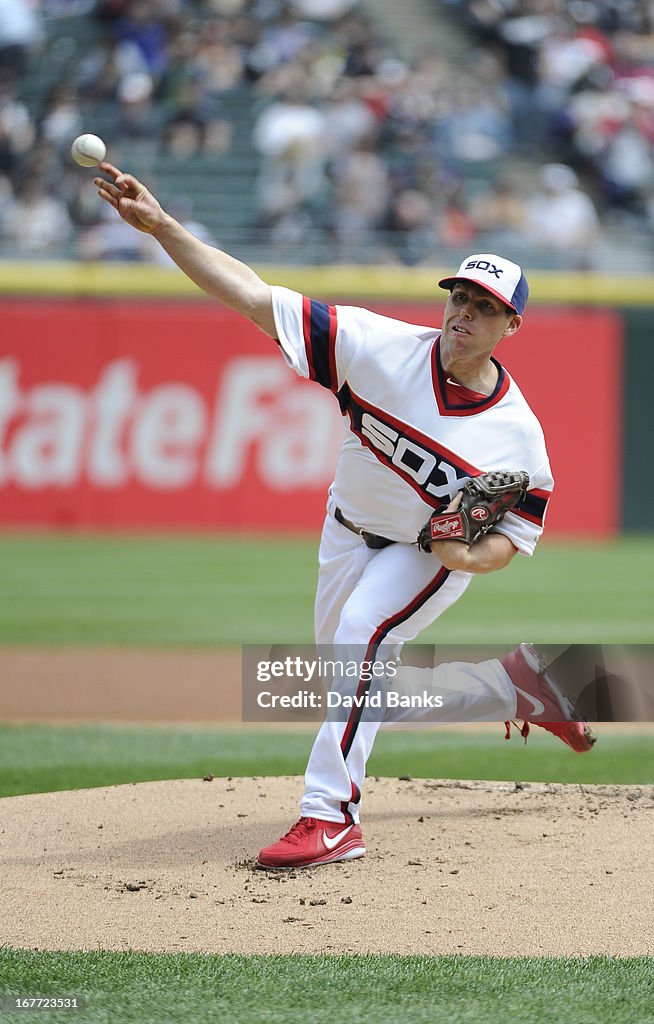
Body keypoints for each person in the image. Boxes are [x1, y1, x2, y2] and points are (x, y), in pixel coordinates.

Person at [94, 162, 596, 871]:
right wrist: (163, 227)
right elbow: (249, 295)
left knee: (363, 635)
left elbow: (504, 547)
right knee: (345, 682)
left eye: (483, 307)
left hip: (424, 552)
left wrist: (460, 553)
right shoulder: (376, 347)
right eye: (458, 296)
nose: (463, 314)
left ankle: (329, 818)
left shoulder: (517, 441)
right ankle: (515, 687)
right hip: (346, 527)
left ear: (511, 325)